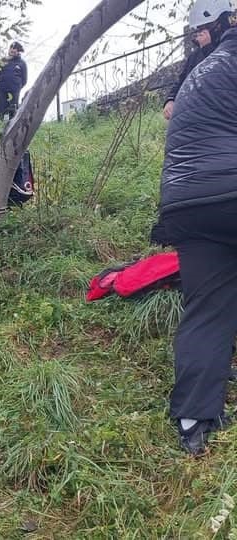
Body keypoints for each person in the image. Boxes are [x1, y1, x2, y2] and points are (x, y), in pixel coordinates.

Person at [158, 0, 237, 456]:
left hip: (185, 205)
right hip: (227, 191)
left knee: (207, 309)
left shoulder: (201, 72)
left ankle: (194, 419)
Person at [163, 26, 215, 120]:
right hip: (193, 113)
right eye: (199, 30)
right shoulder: (194, 56)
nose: (200, 33)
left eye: (204, 29)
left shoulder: (227, 47)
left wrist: (207, 48)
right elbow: (182, 80)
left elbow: (219, 74)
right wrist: (170, 100)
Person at [0, 41, 28, 120]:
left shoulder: (22, 63)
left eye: (15, 49)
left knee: (12, 110)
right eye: (11, 48)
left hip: (14, 90)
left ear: (18, 51)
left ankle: (12, 127)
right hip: (2, 90)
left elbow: (24, 80)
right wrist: (0, 84)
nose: (12, 50)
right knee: (0, 110)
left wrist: (17, 86)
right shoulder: (3, 61)